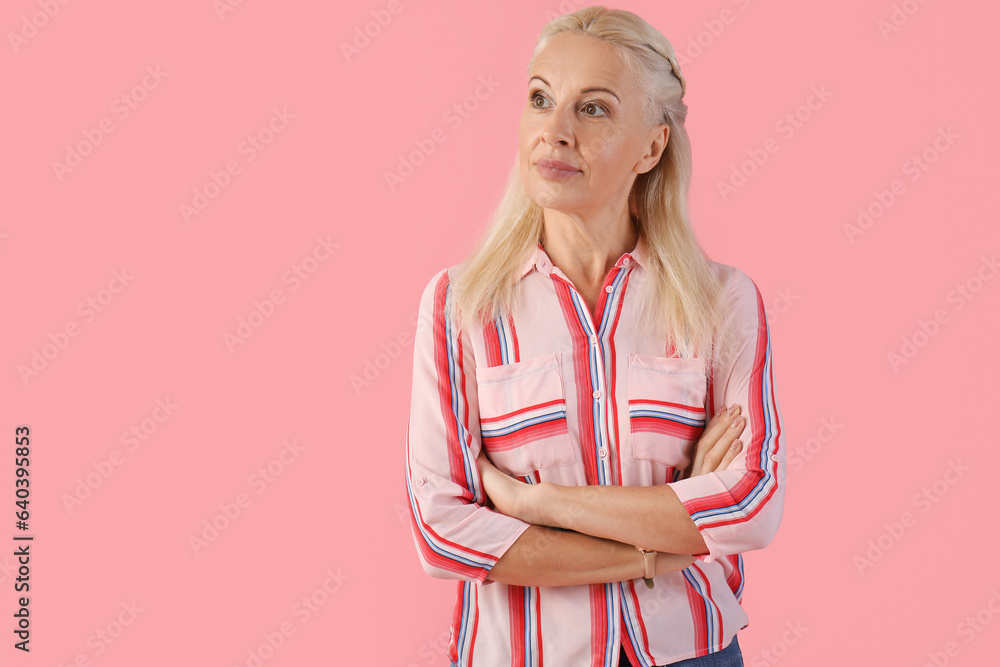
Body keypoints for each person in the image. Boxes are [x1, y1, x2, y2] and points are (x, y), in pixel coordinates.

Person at [404, 6, 786, 666]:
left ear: (652, 146)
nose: (554, 132)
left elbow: (751, 506)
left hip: (690, 653)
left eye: (594, 109)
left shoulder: (724, 302)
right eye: (540, 99)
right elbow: (445, 534)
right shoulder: (458, 306)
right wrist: (664, 539)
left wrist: (536, 503)